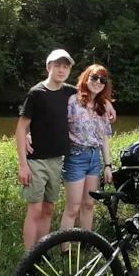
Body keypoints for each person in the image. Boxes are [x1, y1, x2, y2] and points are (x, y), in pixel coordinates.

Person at [15, 49, 115, 250]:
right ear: (48, 67)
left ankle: (43, 250)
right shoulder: (43, 94)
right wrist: (24, 157)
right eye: (57, 65)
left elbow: (92, 95)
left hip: (60, 159)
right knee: (39, 209)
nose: (61, 70)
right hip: (42, 159)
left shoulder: (70, 93)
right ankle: (32, 257)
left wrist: (106, 101)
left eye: (65, 66)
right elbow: (21, 126)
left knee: (50, 208)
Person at [59, 65, 114, 235]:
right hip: (75, 156)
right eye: (94, 77)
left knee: (89, 204)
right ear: (86, 78)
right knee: (72, 208)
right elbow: (56, 123)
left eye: (102, 80)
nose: (97, 82)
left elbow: (104, 137)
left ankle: (86, 243)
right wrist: (32, 135)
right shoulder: (73, 101)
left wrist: (108, 165)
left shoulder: (102, 106)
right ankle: (65, 246)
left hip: (94, 158)